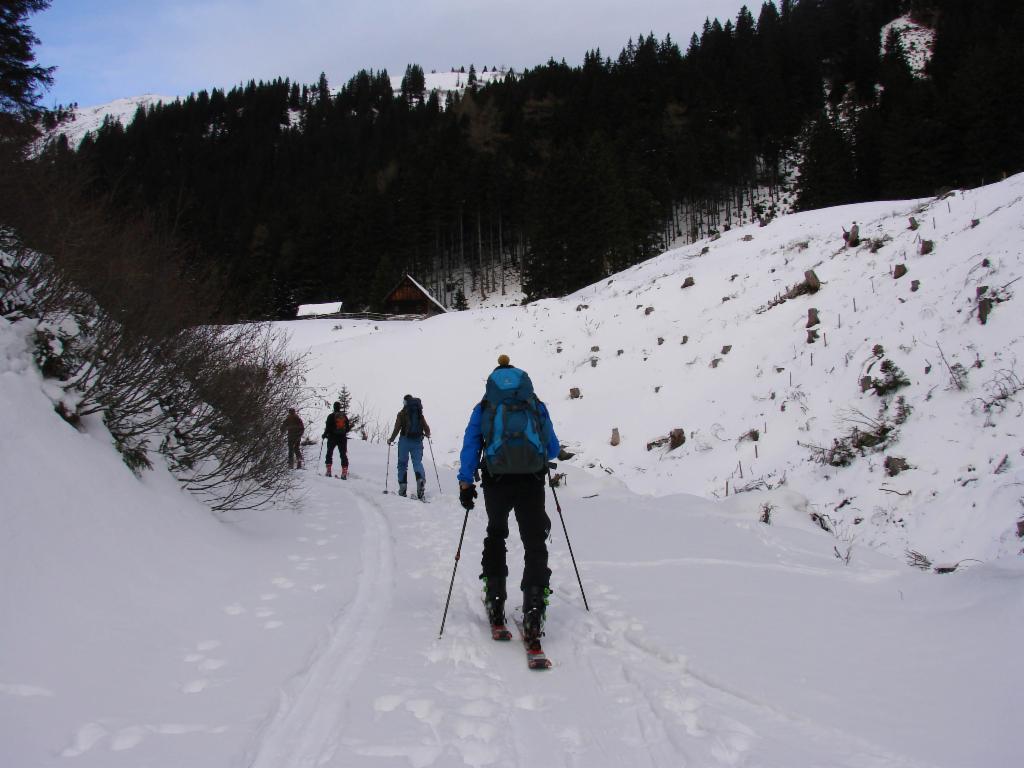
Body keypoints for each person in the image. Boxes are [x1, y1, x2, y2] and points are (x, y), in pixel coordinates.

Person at [457, 354, 559, 642]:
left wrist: (466, 482)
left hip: (497, 480)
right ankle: (534, 610)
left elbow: (471, 443)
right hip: (531, 479)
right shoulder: (535, 405)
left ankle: (496, 600)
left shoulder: (486, 406)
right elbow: (551, 449)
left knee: (496, 533)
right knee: (534, 541)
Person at [388, 394, 431, 499]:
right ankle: (420, 480)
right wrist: (427, 434)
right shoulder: (419, 413)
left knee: (402, 464)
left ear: (404, 402)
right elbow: (426, 428)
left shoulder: (401, 413)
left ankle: (402, 488)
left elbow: (397, 428)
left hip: (404, 441)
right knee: (417, 463)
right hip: (417, 441)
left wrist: (391, 439)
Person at [322, 401, 351, 478]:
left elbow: (327, 427)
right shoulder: (344, 416)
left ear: (334, 407)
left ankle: (328, 471)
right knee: (343, 454)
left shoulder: (331, 416)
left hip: (332, 437)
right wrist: (343, 432)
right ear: (340, 407)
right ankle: (344, 472)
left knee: (329, 453)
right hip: (342, 438)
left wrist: (324, 434)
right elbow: (348, 428)